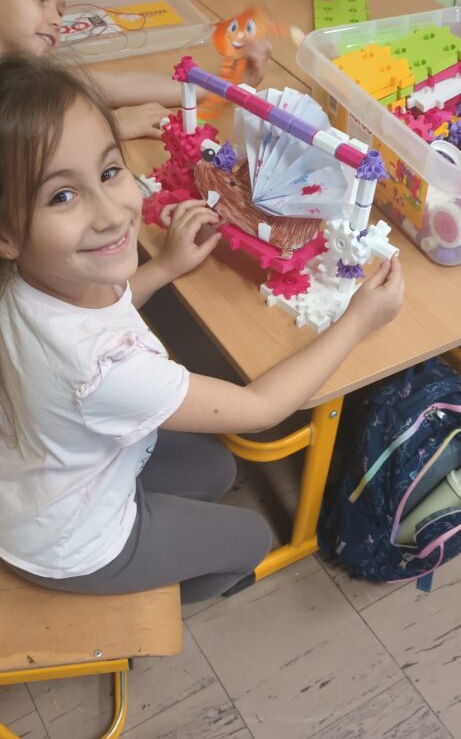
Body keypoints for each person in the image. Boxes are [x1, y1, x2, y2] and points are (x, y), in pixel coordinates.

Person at [0, 55, 404, 602]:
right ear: (7, 236)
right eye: (61, 196)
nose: (111, 214)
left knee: (214, 467)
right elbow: (260, 408)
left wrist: (164, 267)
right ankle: (148, 603)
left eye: (110, 172)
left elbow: (100, 311)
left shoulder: (25, 283)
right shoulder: (107, 369)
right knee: (251, 538)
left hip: (35, 481)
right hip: (72, 543)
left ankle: (154, 545)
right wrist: (357, 322)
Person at [0, 0, 271, 140]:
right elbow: (25, 144)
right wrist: (114, 125)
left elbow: (116, 86)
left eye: (60, 11)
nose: (56, 20)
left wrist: (223, 85)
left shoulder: (28, 72)